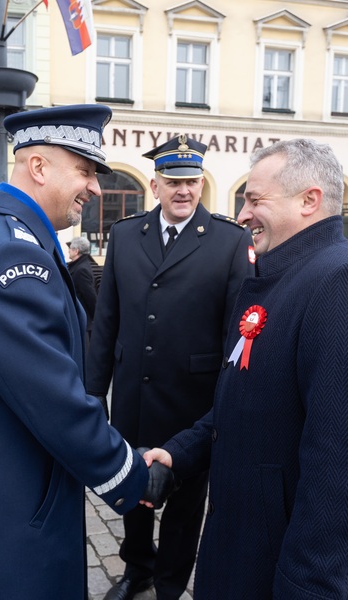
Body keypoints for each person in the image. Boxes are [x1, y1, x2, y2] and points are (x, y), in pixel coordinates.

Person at [142, 138, 348, 599]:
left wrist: (307, 588)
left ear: (309, 200)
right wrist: (180, 453)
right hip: (249, 553)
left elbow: (345, 470)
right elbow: (246, 401)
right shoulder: (280, 278)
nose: (243, 215)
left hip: (297, 575)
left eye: (255, 200)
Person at [0, 105, 172, 600]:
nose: (95, 187)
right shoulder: (11, 254)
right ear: (38, 167)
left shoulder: (13, 236)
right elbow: (53, 398)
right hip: (5, 498)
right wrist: (131, 474)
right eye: (84, 170)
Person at [87, 135, 254, 600]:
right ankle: (138, 568)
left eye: (192, 181)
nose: (184, 190)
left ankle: (170, 584)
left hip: (192, 401)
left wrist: (226, 403)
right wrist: (94, 391)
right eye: (174, 181)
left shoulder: (229, 241)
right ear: (155, 185)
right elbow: (106, 319)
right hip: (134, 397)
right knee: (132, 489)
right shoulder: (125, 235)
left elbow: (236, 335)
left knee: (185, 504)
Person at [66, 236, 97, 337]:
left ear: (76, 251)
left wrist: (96, 318)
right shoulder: (78, 266)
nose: (68, 251)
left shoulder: (81, 270)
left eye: (70, 248)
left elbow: (90, 297)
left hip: (83, 321)